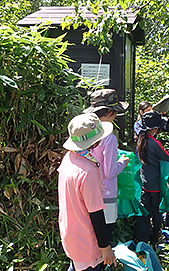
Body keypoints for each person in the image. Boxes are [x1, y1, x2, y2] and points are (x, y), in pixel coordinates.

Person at [58, 113, 117, 271]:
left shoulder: (69, 158)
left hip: (70, 233)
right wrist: (105, 247)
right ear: (95, 141)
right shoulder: (88, 171)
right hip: (86, 240)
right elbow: (96, 212)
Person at [84, 89, 130, 240]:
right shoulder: (108, 137)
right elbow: (109, 172)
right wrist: (122, 162)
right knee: (103, 236)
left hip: (88, 191)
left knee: (90, 235)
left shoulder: (87, 131)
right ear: (110, 112)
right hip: (106, 194)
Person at [135, 111, 169, 245]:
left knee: (144, 211)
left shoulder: (140, 140)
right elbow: (168, 159)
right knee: (156, 211)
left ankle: (142, 237)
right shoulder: (154, 143)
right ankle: (156, 234)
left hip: (144, 183)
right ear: (156, 128)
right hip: (156, 184)